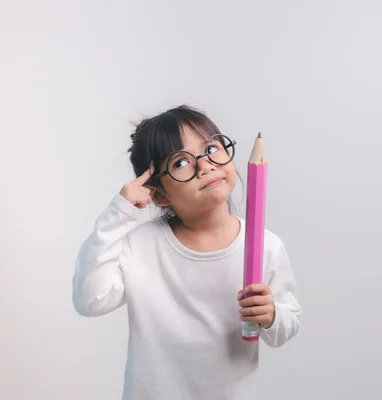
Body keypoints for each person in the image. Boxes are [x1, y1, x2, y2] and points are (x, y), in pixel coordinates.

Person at [72, 105, 301, 400]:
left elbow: (287, 325)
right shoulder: (142, 245)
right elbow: (89, 300)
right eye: (180, 163)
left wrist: (272, 315)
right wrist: (118, 213)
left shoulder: (266, 245)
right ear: (159, 193)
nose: (205, 165)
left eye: (212, 148)